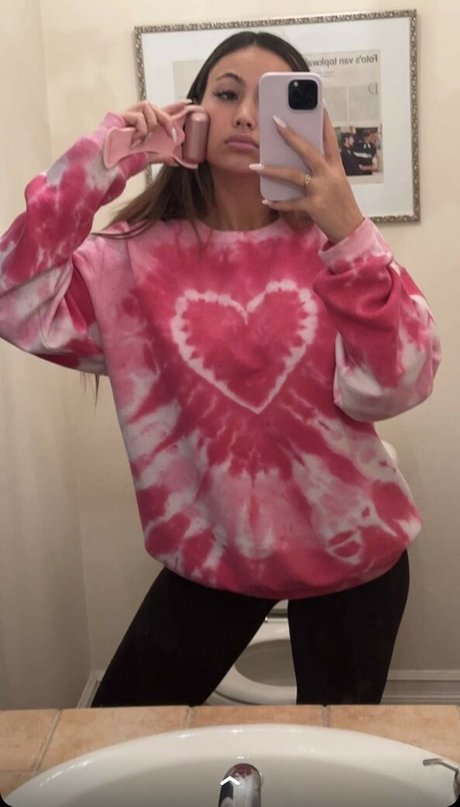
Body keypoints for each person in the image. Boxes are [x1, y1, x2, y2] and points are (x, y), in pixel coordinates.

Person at [0, 30, 440, 707]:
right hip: (209, 557)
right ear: (193, 114)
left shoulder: (337, 245)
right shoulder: (129, 258)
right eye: (227, 94)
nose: (245, 115)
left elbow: (398, 382)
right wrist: (105, 158)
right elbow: (15, 298)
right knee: (125, 725)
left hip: (355, 555)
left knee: (331, 753)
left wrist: (350, 227)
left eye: (271, 100)